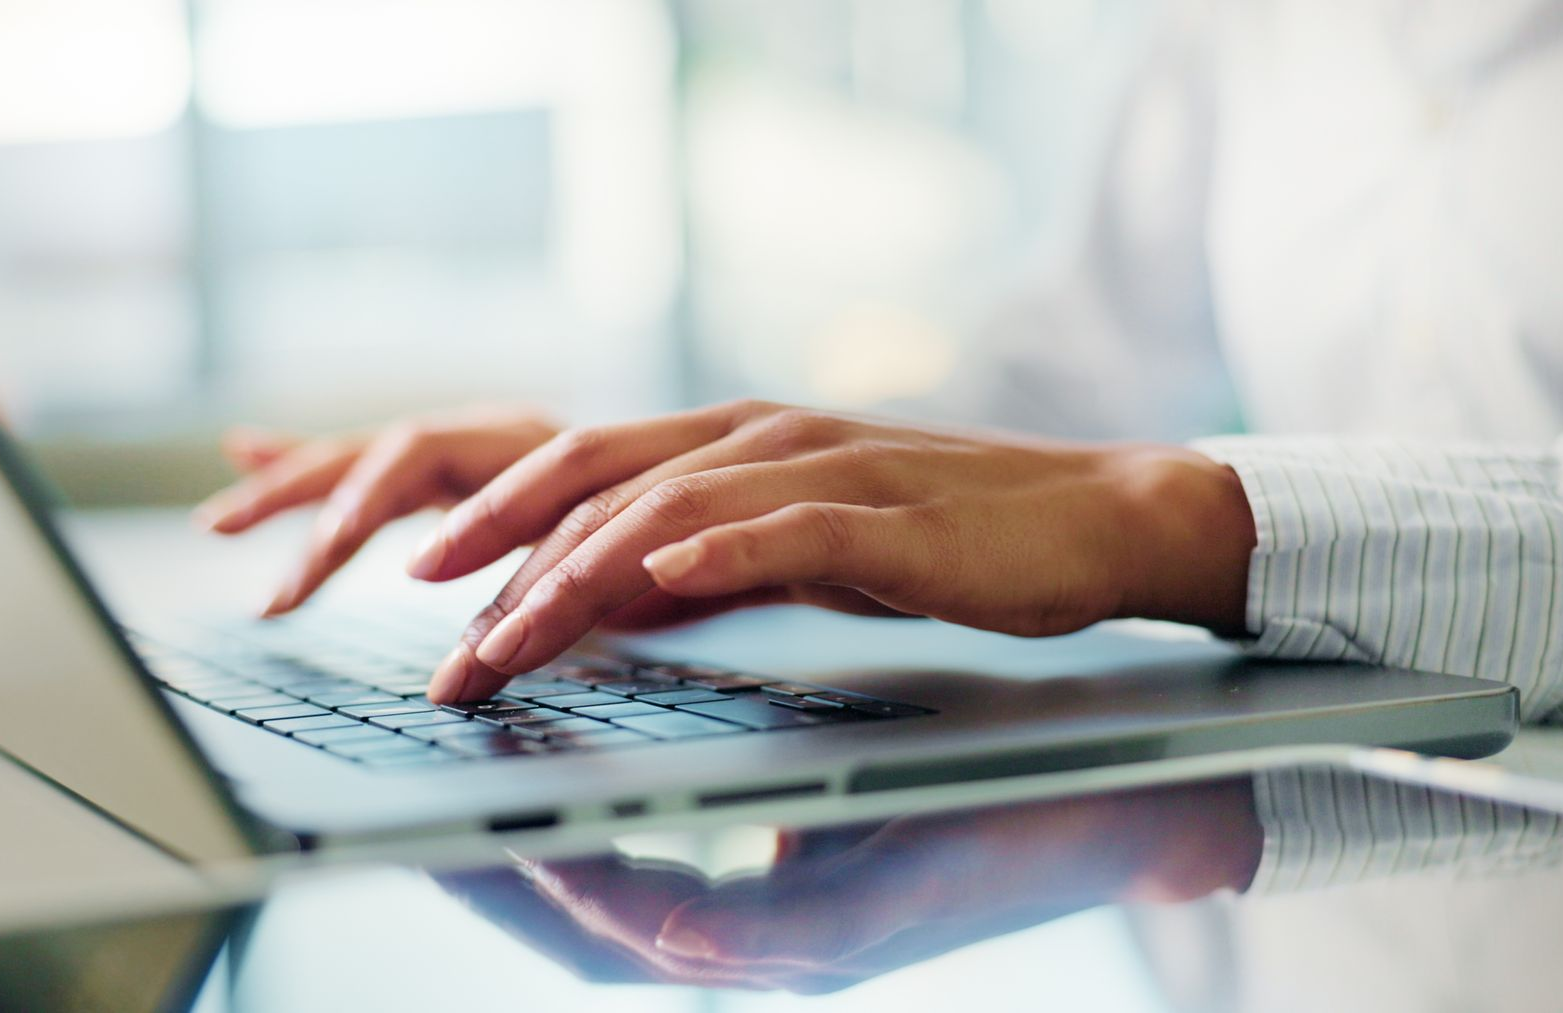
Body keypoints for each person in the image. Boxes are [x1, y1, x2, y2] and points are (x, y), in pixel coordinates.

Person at [196, 1, 1563, 716]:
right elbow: (1051, 404)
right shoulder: (1244, 22)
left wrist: (1182, 523)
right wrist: (670, 481)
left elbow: (1102, 497)